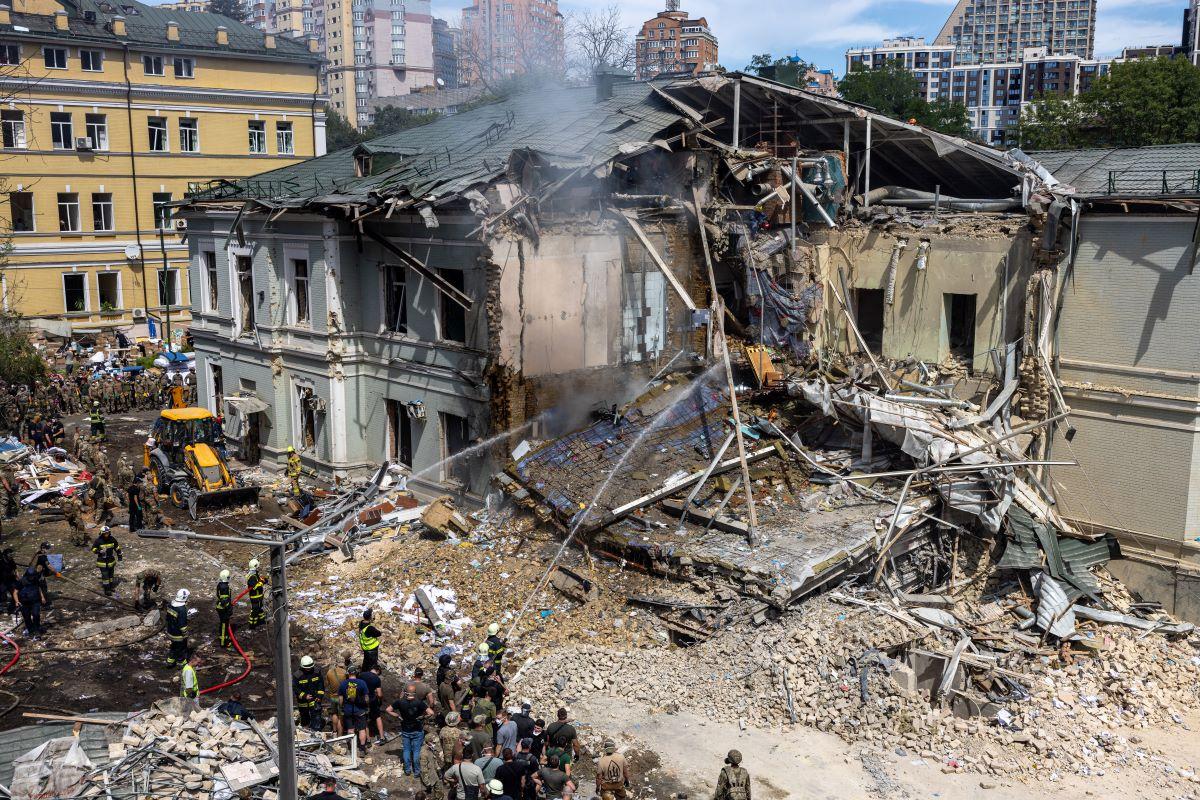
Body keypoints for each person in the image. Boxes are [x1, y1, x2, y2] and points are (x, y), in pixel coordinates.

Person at [387, 682, 432, 776]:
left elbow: (388, 710)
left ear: (405, 692)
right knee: (416, 751)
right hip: (417, 729)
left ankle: (407, 770)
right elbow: (431, 713)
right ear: (414, 693)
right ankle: (417, 771)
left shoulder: (399, 702)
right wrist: (423, 717)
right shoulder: (419, 702)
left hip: (405, 729)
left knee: (406, 750)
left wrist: (397, 716)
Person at [338, 666, 370, 749]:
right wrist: (367, 706)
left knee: (350, 729)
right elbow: (366, 698)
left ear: (348, 673)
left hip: (348, 709)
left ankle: (351, 747)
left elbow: (340, 699)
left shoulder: (343, 683)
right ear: (357, 673)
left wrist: (341, 707)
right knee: (362, 729)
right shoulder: (362, 682)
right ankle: (362, 748)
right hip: (360, 710)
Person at [545, 709, 580, 777]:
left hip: (553, 754)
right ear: (566, 716)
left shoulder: (551, 726)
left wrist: (547, 751)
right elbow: (575, 745)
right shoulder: (571, 729)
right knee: (565, 774)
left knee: (552, 773)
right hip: (566, 755)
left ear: (557, 715)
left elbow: (547, 742)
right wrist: (577, 755)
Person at [294, 655, 326, 730]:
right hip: (303, 701)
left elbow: (321, 685)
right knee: (305, 718)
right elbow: (295, 688)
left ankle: (316, 732)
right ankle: (305, 732)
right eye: (306, 668)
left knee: (316, 718)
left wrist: (319, 696)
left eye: (310, 667)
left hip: (315, 699)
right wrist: (305, 696)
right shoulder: (297, 675)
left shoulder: (316, 672)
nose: (308, 669)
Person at [90, 525, 122, 596]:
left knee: (111, 575)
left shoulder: (112, 539)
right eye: (105, 533)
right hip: (102, 562)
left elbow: (117, 548)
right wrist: (99, 551)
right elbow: (93, 549)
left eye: (108, 533)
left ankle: (111, 587)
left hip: (111, 561)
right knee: (105, 576)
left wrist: (120, 556)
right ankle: (107, 590)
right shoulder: (98, 540)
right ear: (102, 533)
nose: (106, 534)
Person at [324, 652, 351, 737]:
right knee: (340, 717)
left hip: (333, 697)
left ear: (336, 663)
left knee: (334, 714)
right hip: (342, 698)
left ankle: (334, 732)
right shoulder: (345, 673)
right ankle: (340, 736)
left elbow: (327, 684)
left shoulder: (329, 672)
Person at [165, 588, 191, 667]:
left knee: (173, 646)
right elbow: (182, 625)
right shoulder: (182, 609)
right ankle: (181, 662)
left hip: (170, 631)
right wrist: (185, 634)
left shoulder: (171, 604)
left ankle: (170, 661)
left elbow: (168, 618)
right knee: (181, 648)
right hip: (178, 634)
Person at [16, 566, 43, 636]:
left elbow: (38, 588)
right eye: (31, 576)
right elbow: (15, 592)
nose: (32, 578)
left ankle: (37, 629)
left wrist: (42, 597)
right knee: (27, 617)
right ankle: (31, 630)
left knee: (36, 614)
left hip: (35, 601)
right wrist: (17, 601)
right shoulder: (22, 581)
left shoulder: (36, 579)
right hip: (24, 602)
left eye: (33, 576)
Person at [361, 663, 385, 744]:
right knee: (377, 717)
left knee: (365, 719)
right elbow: (379, 694)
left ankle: (368, 740)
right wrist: (380, 700)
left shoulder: (361, 675)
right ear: (377, 671)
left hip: (362, 700)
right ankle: (382, 737)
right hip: (372, 700)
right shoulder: (376, 678)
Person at [215, 569, 233, 648]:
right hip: (223, 608)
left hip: (221, 607)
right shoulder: (224, 587)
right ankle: (223, 643)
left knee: (224, 624)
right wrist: (229, 609)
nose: (229, 578)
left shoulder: (220, 584)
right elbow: (224, 601)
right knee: (223, 625)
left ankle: (225, 639)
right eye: (228, 577)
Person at [246, 559, 266, 628]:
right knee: (255, 611)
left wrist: (263, 580)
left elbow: (258, 581)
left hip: (258, 597)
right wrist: (262, 582)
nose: (258, 567)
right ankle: (252, 624)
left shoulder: (255, 574)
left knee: (260, 609)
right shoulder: (252, 577)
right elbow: (255, 587)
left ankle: (261, 621)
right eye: (257, 566)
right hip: (255, 597)